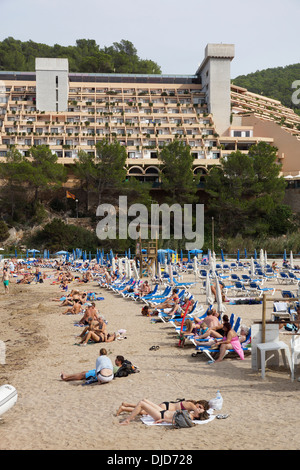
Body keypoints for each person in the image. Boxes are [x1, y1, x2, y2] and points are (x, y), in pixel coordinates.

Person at [119, 398, 209, 425]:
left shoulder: (189, 417)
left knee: (142, 404)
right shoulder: (190, 413)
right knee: (144, 400)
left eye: (200, 410)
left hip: (161, 415)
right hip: (163, 410)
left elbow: (176, 421)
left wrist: (163, 420)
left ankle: (128, 419)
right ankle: (126, 408)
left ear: (198, 416)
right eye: (200, 407)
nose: (199, 409)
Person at [116, 398, 210, 416]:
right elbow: (197, 413)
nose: (199, 408)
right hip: (166, 408)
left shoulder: (191, 403)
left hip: (166, 406)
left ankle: (127, 404)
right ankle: (124, 408)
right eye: (200, 406)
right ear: (199, 403)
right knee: (143, 412)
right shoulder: (192, 405)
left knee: (145, 407)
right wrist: (203, 412)